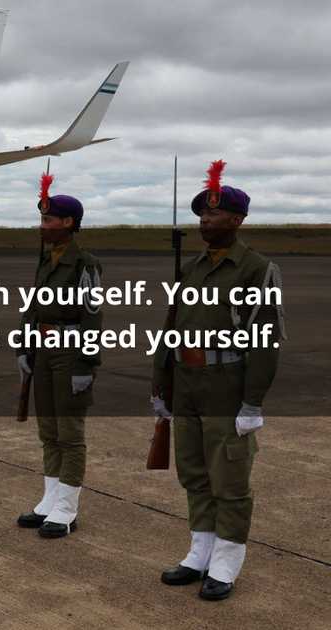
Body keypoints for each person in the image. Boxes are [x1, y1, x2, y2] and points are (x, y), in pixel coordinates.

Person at [152, 160, 284, 601]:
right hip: (187, 381)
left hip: (227, 383)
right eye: (202, 215)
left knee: (228, 479)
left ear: (238, 219)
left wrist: (253, 402)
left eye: (216, 214)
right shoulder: (190, 269)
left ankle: (226, 562)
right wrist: (160, 385)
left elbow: (265, 341)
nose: (206, 220)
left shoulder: (255, 269)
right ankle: (199, 552)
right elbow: (170, 331)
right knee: (194, 473)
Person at [15, 173, 102, 538]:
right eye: (42, 219)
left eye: (49, 220)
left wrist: (86, 363)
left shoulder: (84, 264)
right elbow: (33, 308)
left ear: (69, 223)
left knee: (69, 432)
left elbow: (93, 317)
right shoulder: (46, 260)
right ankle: (50, 499)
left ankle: (67, 507)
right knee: (48, 429)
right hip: (43, 350)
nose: (43, 226)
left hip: (69, 352)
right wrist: (24, 345)